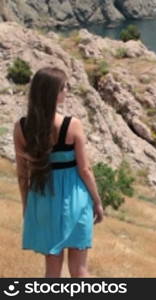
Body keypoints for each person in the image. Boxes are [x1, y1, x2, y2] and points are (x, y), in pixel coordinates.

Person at [12, 66, 105, 278]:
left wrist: (27, 205)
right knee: (79, 270)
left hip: (42, 198)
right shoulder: (73, 125)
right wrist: (97, 202)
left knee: (52, 271)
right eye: (64, 87)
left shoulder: (22, 127)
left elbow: (22, 174)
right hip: (75, 198)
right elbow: (85, 169)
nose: (67, 91)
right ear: (54, 93)